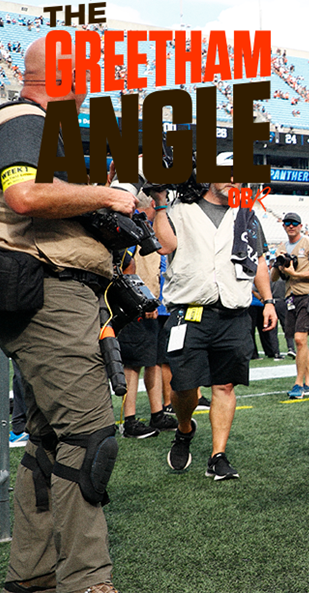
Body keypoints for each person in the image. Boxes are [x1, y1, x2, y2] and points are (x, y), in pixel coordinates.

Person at [0, 35, 137, 593]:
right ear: (69, 78)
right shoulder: (28, 119)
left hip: (42, 290)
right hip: (46, 290)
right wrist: (108, 198)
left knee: (49, 438)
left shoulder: (27, 122)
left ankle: (34, 573)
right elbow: (24, 197)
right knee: (91, 435)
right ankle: (87, 581)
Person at [152, 151, 278, 481]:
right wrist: (160, 203)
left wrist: (267, 300)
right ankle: (184, 428)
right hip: (189, 312)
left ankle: (217, 455)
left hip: (234, 312)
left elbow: (259, 260)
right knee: (184, 386)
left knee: (224, 385)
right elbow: (164, 246)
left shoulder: (247, 213)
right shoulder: (180, 209)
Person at [118, 186, 179, 438]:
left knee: (152, 361)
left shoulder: (144, 229)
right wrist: (142, 300)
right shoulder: (130, 228)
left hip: (150, 304)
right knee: (132, 365)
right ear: (150, 205)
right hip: (135, 306)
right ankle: (129, 421)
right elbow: (126, 266)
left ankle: (157, 413)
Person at [275, 211, 309, 399]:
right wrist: (278, 264)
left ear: (300, 226)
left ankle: (298, 384)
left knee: (298, 339)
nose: (291, 226)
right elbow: (274, 277)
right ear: (283, 225)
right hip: (291, 297)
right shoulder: (282, 247)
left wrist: (296, 274)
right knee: (301, 343)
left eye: (294, 223)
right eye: (287, 223)